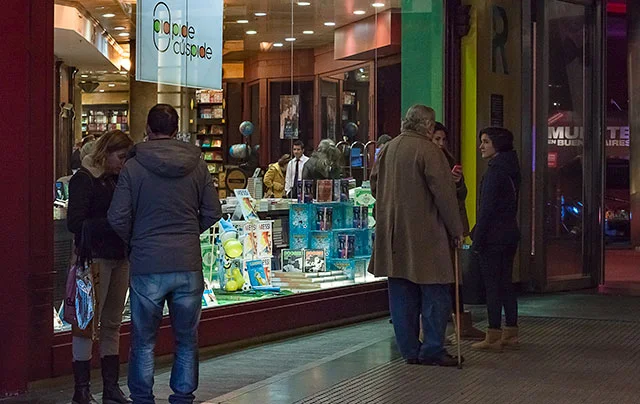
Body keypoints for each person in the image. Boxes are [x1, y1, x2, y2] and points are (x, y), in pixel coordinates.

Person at [108, 104, 222, 403]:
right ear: (176, 129)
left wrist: (138, 240)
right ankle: (183, 397)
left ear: (147, 128)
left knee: (143, 341)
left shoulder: (133, 166)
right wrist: (187, 233)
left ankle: (143, 398)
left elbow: (117, 216)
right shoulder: (198, 164)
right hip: (187, 262)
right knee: (186, 339)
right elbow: (213, 211)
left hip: (147, 262)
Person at [368, 105, 464, 366]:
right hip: (426, 235)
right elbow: (444, 195)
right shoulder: (430, 151)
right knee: (435, 292)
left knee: (401, 294)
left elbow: (374, 185)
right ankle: (433, 349)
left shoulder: (388, 150)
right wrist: (457, 230)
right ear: (427, 126)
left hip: (392, 234)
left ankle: (409, 349)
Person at [67, 130, 133, 404]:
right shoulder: (85, 179)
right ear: (105, 152)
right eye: (120, 156)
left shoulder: (121, 179)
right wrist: (115, 222)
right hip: (93, 258)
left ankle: (110, 387)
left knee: (113, 323)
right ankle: (82, 390)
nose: (122, 162)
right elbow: (75, 222)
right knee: (86, 323)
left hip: (119, 256)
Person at [470, 127, 521, 352]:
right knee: (506, 283)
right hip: (510, 233)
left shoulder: (494, 172)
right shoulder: (511, 168)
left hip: (493, 237)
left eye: (485, 142)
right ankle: (511, 331)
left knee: (492, 286)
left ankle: (493, 334)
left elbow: (486, 210)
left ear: (497, 145)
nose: (481, 146)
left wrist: (476, 238)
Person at [432, 122, 484, 341]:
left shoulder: (449, 159)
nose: (441, 143)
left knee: (455, 275)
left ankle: (461, 322)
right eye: (437, 139)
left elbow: (460, 194)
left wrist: (458, 183)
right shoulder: (427, 160)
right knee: (441, 277)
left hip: (452, 223)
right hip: (437, 225)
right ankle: (439, 326)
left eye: (444, 139)